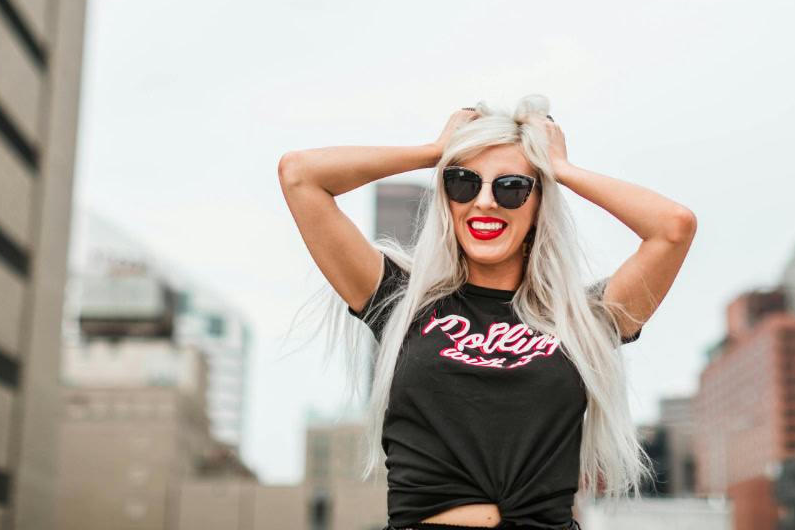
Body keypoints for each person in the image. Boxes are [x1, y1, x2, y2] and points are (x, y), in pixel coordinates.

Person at [278, 94, 696, 530]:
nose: (484, 202)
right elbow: (300, 176)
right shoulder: (401, 300)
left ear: (537, 206)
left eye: (511, 187)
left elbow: (673, 227)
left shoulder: (583, 321)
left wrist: (561, 169)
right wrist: (435, 152)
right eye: (463, 182)